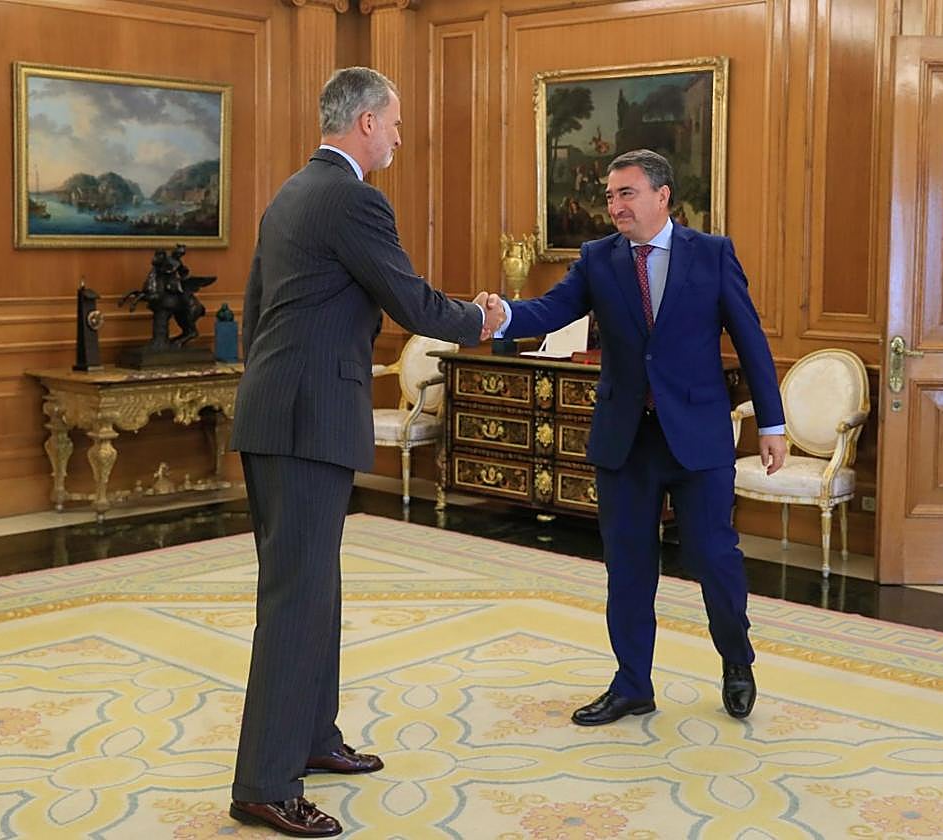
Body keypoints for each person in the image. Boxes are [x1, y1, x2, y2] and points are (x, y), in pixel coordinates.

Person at [228, 67, 504, 838]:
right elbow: (409, 299)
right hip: (306, 421)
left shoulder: (290, 193)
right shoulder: (354, 198)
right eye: (396, 122)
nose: (401, 135)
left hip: (277, 413)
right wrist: (482, 320)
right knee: (296, 598)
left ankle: (312, 737)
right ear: (367, 122)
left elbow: (255, 311)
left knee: (315, 587)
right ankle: (264, 785)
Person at [488, 149, 786, 727]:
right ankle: (632, 684)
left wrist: (771, 424)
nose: (614, 206)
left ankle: (736, 662)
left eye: (626, 194)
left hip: (697, 437)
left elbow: (750, 340)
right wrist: (501, 317)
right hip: (626, 438)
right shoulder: (599, 259)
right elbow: (551, 309)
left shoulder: (713, 254)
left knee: (713, 556)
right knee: (627, 565)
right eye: (609, 196)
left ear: (661, 195)